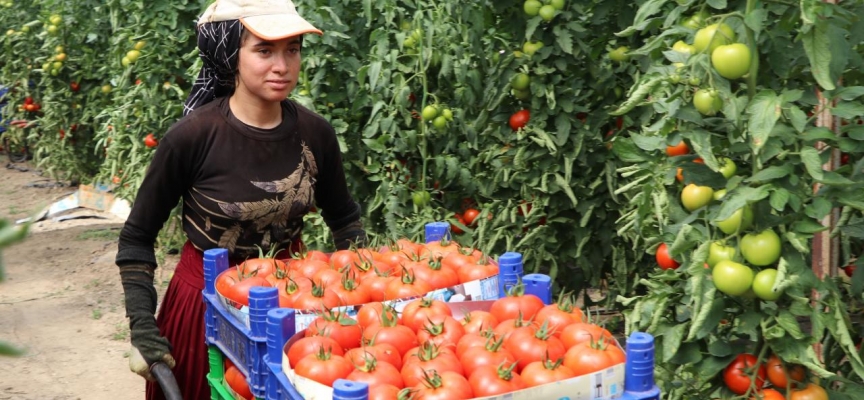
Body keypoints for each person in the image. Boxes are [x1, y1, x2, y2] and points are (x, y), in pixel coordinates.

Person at [115, 0, 367, 398]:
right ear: (230, 54)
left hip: (292, 309)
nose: (282, 65)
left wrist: (363, 297)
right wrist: (143, 327)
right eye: (264, 50)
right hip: (204, 311)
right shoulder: (192, 138)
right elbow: (136, 238)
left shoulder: (316, 134)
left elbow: (345, 220)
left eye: (293, 49)